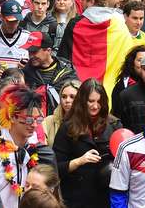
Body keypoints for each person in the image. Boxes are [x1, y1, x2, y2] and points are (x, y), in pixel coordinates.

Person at [52, 79, 121, 208]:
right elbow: (56, 168)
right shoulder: (67, 128)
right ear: (82, 101)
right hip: (76, 198)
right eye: (91, 101)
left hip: (106, 196)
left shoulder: (114, 125)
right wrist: (80, 161)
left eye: (99, 101)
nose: (95, 106)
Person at [0, 84, 51, 207]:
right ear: (11, 117)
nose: (34, 125)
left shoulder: (33, 153)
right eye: (28, 120)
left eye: (38, 120)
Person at [22, 32, 77, 115]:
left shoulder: (67, 72)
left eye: (34, 51)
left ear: (48, 51)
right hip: (34, 122)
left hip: (61, 121)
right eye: (29, 52)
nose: (31, 56)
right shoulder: (25, 73)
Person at [43, 80, 80, 147]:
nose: (67, 100)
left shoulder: (87, 123)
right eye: (64, 97)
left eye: (72, 97)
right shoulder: (48, 121)